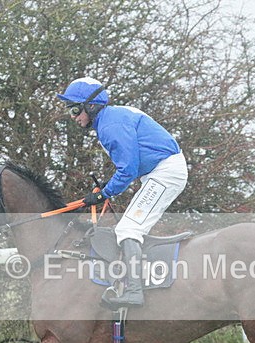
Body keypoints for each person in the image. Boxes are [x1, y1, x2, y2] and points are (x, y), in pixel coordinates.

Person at [57, 77, 188, 307]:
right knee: (128, 227)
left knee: (129, 228)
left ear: (91, 106)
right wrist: (106, 188)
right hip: (159, 171)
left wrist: (104, 194)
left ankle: (134, 292)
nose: (74, 117)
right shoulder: (110, 119)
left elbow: (127, 169)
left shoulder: (110, 126)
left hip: (165, 172)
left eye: (75, 110)